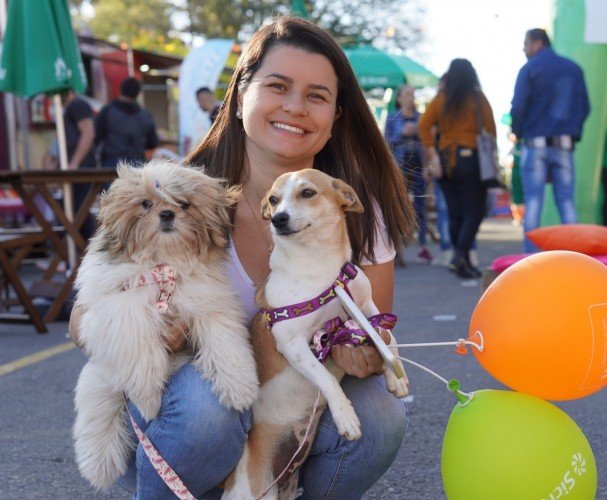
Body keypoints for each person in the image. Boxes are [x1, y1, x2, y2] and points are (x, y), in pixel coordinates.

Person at [70, 16, 415, 498]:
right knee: (208, 409)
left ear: (336, 116)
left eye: (317, 95)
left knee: (381, 414)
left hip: (285, 414)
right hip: (180, 424)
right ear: (239, 97)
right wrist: (147, 328)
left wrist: (363, 351)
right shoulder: (174, 194)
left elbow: (372, 327)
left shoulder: (355, 208)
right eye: (278, 86)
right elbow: (81, 319)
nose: (295, 107)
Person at [510, 28, 590, 252]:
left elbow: (518, 106)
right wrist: (572, 133)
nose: (524, 49)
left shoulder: (529, 69)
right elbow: (585, 107)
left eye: (525, 43)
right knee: (566, 200)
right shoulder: (573, 69)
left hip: (534, 144)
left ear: (537, 43)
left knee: (534, 202)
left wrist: (519, 131)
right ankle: (575, 257)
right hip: (564, 144)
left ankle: (532, 259)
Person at [418, 58, 496, 279]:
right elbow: (490, 129)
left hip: (445, 162)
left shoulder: (441, 99)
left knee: (455, 213)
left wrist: (432, 154)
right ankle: (460, 255)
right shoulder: (477, 99)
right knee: (475, 211)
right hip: (471, 161)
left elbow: (424, 125)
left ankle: (461, 262)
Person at [385, 84, 432, 263]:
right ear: (399, 98)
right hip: (400, 168)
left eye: (413, 94)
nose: (411, 97)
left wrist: (419, 132)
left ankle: (422, 247)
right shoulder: (392, 119)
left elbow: (429, 142)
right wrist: (401, 133)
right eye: (407, 94)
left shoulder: (421, 118)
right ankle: (396, 249)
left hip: (419, 167)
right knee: (398, 208)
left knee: (420, 208)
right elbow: (386, 143)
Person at [94, 77, 158, 167]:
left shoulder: (107, 111)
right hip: (137, 164)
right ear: (138, 93)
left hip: (112, 165)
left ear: (121, 89)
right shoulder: (146, 115)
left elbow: (96, 136)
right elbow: (152, 143)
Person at [62, 88, 97, 242]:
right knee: (76, 213)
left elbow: (88, 132)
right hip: (79, 168)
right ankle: (77, 255)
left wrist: (74, 162)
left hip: (81, 169)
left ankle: (86, 255)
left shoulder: (77, 105)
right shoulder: (72, 107)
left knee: (79, 213)